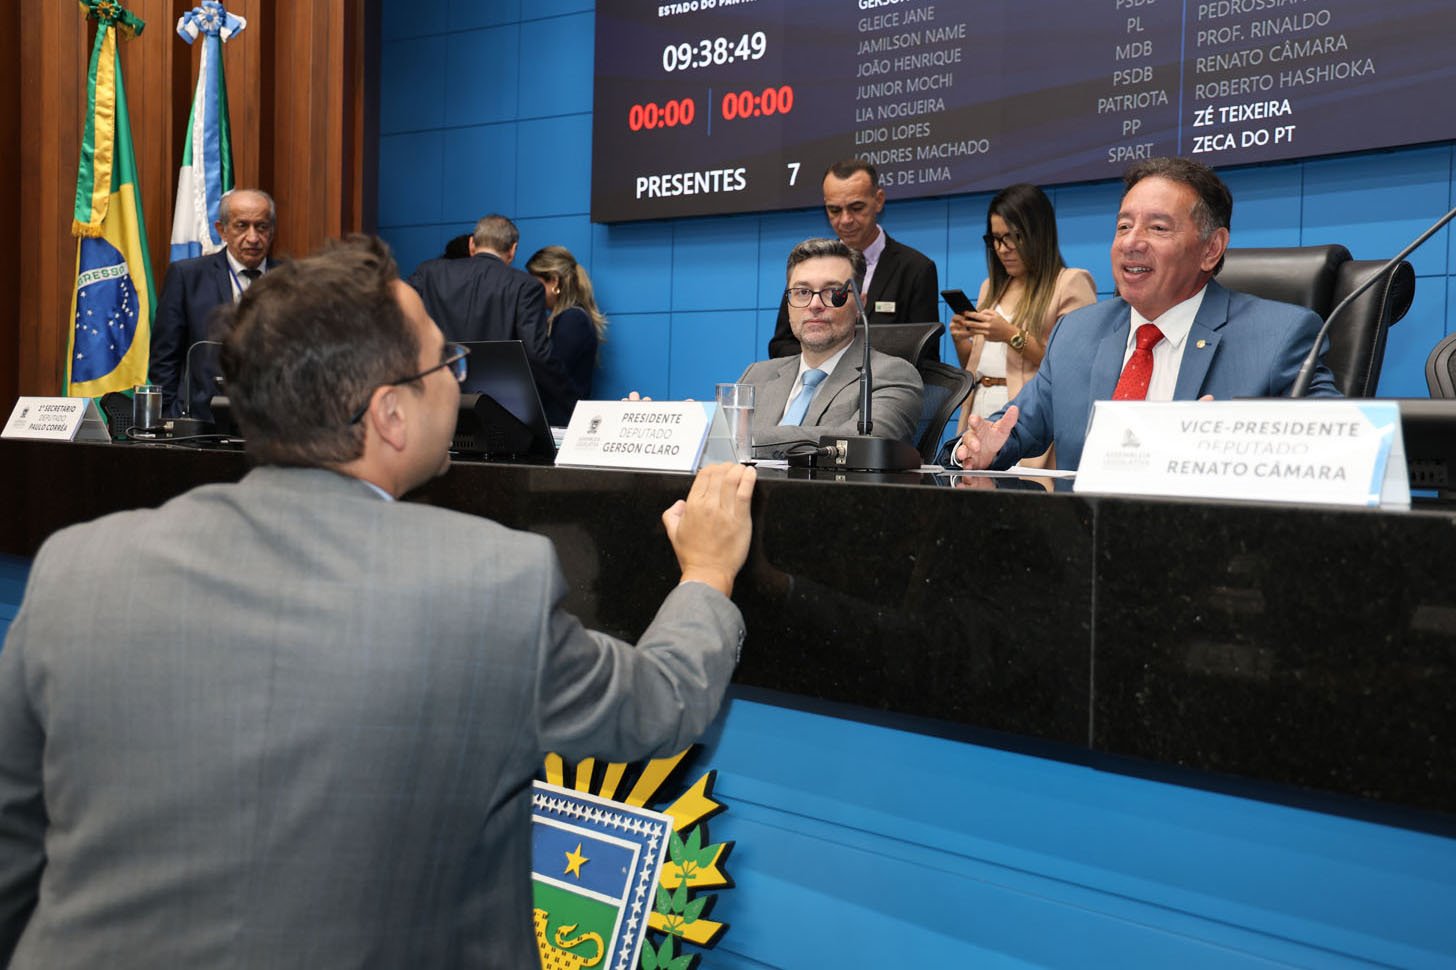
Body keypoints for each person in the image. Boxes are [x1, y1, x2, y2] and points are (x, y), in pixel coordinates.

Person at [0, 235, 756, 967]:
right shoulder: (493, 583)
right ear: (391, 414)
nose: (460, 381)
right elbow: (657, 705)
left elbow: (14, 849)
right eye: (448, 362)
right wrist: (707, 572)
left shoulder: (77, 568)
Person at [948, 157, 1340, 473]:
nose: (1132, 242)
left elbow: (1339, 450)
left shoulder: (1279, 336)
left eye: (1158, 228)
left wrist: (1232, 445)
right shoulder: (1078, 334)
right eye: (1123, 226)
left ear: (1211, 249)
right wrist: (978, 447)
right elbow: (1013, 428)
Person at [949, 183, 1096, 468]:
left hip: (1026, 419)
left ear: (1038, 233)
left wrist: (1010, 335)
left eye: (1013, 237)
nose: (1002, 249)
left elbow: (1072, 369)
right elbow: (977, 367)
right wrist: (960, 341)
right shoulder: (990, 287)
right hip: (978, 410)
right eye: (995, 239)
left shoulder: (1070, 283)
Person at [742, 237, 923, 458]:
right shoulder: (756, 376)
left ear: (860, 304)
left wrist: (746, 439)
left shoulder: (892, 375)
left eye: (832, 292)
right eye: (802, 292)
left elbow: (863, 443)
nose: (815, 305)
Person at [408, 214, 579, 425]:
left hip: (436, 404)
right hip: (498, 413)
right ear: (513, 250)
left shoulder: (428, 273)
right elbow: (537, 354)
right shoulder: (525, 286)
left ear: (472, 244)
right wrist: (574, 403)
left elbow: (398, 319)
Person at [766, 160, 939, 358]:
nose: (846, 220)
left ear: (879, 200)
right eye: (834, 210)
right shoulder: (811, 265)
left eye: (856, 208)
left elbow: (925, 355)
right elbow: (781, 346)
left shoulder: (915, 269)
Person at [150, 188, 277, 420]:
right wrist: (169, 417)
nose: (252, 238)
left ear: (271, 231)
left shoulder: (291, 280)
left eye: (261, 227)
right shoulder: (188, 277)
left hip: (273, 422)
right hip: (202, 420)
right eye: (242, 226)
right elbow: (164, 358)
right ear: (222, 230)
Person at [526, 245, 607, 409]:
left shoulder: (573, 320)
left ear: (554, 281)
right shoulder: (571, 319)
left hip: (563, 420)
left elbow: (552, 373)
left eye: (535, 283)